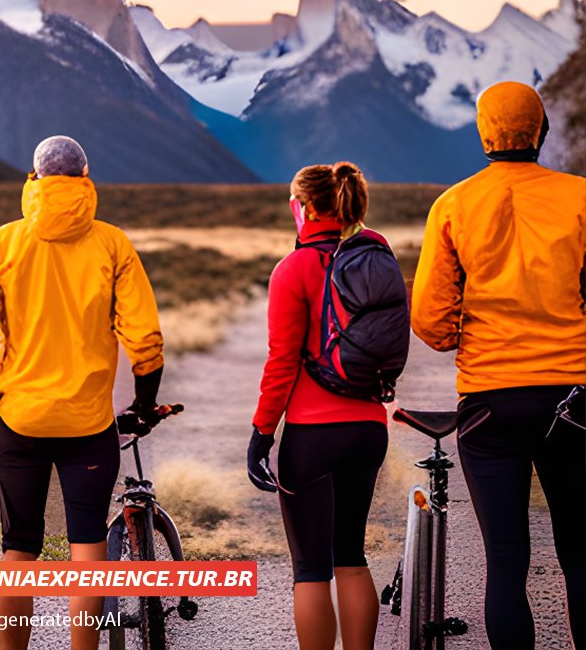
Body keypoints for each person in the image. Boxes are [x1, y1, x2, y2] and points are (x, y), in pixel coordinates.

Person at [0, 136, 165, 650]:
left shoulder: (1, 245)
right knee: (87, 554)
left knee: (18, 551)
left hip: (20, 420)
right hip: (89, 425)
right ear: (85, 178)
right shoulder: (113, 244)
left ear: (34, 178)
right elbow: (145, 340)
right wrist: (142, 405)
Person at [412, 81, 586, 650]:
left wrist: (472, 332)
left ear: (483, 133)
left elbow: (432, 324)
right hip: (575, 400)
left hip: (490, 398)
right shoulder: (581, 197)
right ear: (542, 130)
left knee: (506, 560)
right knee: (581, 556)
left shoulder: (454, 204)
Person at [249, 161, 390, 650]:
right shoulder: (375, 256)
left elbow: (282, 362)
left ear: (304, 208)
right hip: (369, 428)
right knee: (351, 557)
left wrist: (262, 433)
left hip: (312, 435)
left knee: (311, 569)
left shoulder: (293, 269)